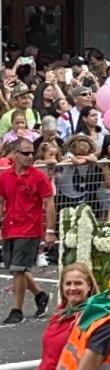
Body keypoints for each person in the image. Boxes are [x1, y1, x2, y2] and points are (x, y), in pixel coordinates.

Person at [0, 135, 53, 324]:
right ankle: (40, 295)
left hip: (30, 228)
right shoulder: (4, 176)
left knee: (19, 269)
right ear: (14, 154)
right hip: (10, 228)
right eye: (25, 153)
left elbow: (49, 202)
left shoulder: (39, 176)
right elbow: (1, 200)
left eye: (32, 153)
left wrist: (50, 231)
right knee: (16, 269)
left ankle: (17, 310)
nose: (30, 156)